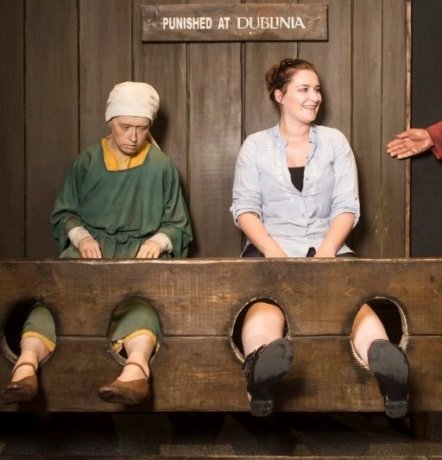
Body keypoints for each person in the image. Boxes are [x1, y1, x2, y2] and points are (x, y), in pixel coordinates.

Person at [230, 58, 410, 418]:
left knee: (352, 308)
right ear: (280, 95)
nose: (314, 97)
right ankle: (260, 371)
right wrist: (274, 254)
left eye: (317, 89)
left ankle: (389, 371)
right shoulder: (255, 146)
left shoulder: (334, 143)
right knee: (266, 306)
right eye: (304, 89)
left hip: (328, 248)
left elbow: (347, 206)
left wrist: (326, 252)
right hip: (270, 250)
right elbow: (244, 209)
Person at [1, 81, 193, 406]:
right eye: (125, 127)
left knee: (141, 312)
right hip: (87, 256)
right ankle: (26, 367)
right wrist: (81, 235)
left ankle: (135, 371)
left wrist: (159, 241)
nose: (133, 136)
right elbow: (63, 213)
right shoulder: (87, 161)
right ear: (110, 122)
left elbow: (179, 225)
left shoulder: (162, 168)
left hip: (137, 259)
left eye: (141, 128)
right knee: (53, 309)